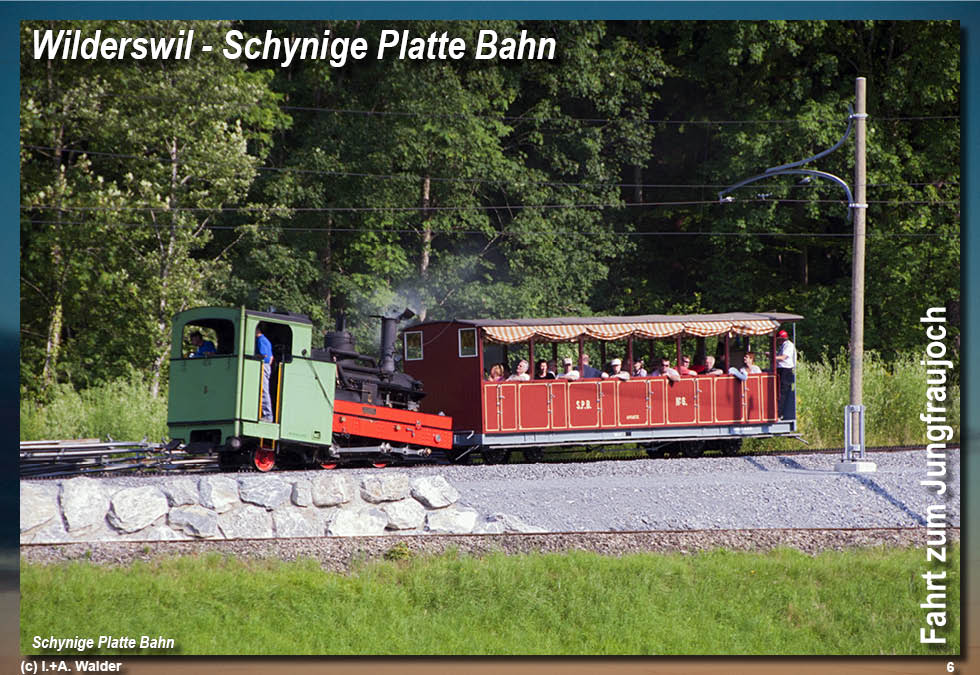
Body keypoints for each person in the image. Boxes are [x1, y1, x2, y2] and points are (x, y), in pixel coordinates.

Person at [774, 329, 797, 420]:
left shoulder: (789, 345)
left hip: (786, 370)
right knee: (779, 391)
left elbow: (783, 357)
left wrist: (773, 357)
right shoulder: (783, 346)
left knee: (782, 392)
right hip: (781, 369)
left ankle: (779, 413)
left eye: (778, 339)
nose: (777, 341)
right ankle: (777, 412)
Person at [255, 324, 274, 422]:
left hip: (263, 366)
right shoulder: (264, 340)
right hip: (266, 366)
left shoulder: (261, 340)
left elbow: (264, 355)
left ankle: (268, 415)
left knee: (263, 390)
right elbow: (271, 357)